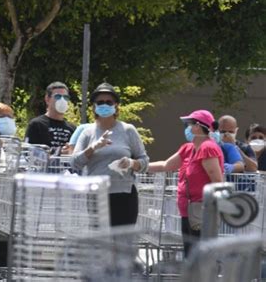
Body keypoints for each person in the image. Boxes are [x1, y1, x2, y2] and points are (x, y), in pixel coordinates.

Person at [71, 82, 149, 226]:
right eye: (100, 102)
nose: (104, 105)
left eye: (109, 102)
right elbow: (75, 162)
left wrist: (131, 163)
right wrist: (92, 148)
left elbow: (144, 161)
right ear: (94, 106)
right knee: (100, 244)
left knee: (122, 243)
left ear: (116, 105)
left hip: (124, 194)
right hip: (97, 195)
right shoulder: (87, 133)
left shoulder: (128, 130)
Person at [148, 109, 224, 256]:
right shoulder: (188, 148)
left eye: (188, 124)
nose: (187, 128)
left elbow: (217, 181)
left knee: (200, 258)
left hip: (202, 212)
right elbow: (165, 165)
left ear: (197, 126)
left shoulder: (207, 148)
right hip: (189, 211)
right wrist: (136, 165)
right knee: (190, 257)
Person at [25, 81, 75, 154]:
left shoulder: (72, 129)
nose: (62, 100)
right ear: (47, 99)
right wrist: (57, 152)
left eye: (65, 97)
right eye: (58, 97)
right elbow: (28, 151)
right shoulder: (36, 124)